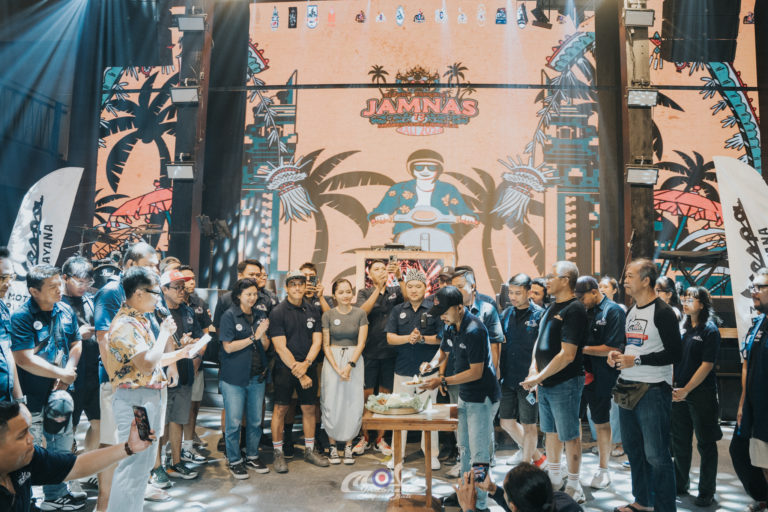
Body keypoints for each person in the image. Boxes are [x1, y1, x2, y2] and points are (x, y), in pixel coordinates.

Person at [103, 266, 192, 512]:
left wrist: (180, 354)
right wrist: (164, 334)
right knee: (133, 467)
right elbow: (146, 364)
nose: (158, 299)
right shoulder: (125, 324)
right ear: (139, 293)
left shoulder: (138, 319)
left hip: (144, 398)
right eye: (155, 293)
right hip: (136, 402)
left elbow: (150, 360)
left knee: (142, 467)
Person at [607, 258, 682, 512]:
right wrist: (617, 354)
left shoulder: (663, 312)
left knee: (657, 455)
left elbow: (675, 353)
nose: (624, 281)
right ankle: (642, 502)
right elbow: (630, 343)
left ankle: (664, 507)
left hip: (653, 389)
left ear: (646, 280)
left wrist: (636, 359)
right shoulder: (632, 310)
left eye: (630, 276)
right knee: (634, 450)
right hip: (627, 386)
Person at [92, 241, 163, 506]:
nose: (155, 270)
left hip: (141, 392)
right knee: (126, 457)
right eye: (150, 265)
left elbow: (148, 358)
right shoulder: (114, 296)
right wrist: (115, 379)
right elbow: (104, 339)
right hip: (129, 392)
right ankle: (105, 506)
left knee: (138, 461)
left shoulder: (140, 313)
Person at [419, 285, 501, 511]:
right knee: (463, 448)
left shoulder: (475, 330)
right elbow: (443, 351)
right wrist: (431, 365)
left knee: (479, 453)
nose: (442, 317)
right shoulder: (451, 326)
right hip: (465, 395)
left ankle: (480, 503)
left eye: (445, 312)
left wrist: (442, 381)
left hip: (482, 398)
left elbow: (476, 372)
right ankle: (466, 493)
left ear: (459, 307)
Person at [11, 264, 83, 510]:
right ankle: (27, 500)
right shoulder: (21, 317)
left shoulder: (65, 309)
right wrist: (61, 373)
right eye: (52, 287)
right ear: (34, 291)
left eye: (59, 284)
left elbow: (76, 342)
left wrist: (69, 371)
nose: (59, 290)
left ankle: (56, 495)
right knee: (28, 450)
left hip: (60, 394)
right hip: (30, 396)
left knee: (61, 445)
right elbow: (23, 359)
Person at [0, 400, 154, 512]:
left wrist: (129, 447)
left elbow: (77, 466)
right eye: (21, 435)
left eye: (28, 431)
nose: (31, 438)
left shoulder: (28, 458)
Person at [521, 261, 588, 504]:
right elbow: (539, 342)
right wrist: (534, 369)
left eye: (552, 276)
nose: (547, 280)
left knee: (570, 435)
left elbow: (567, 354)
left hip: (565, 382)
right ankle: (555, 478)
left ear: (566, 280)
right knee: (550, 432)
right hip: (545, 382)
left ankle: (574, 485)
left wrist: (539, 377)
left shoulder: (575, 309)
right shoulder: (551, 307)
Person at [268, 270, 329, 473]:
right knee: (281, 409)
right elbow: (280, 347)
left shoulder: (313, 310)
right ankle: (278, 453)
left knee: (309, 408)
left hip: (308, 366)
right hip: (285, 368)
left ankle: (310, 450)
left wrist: (307, 364)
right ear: (286, 287)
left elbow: (317, 341)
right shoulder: (278, 312)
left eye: (300, 284)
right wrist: (300, 372)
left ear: (305, 287)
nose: (297, 288)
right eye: (293, 284)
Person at [671, 286, 722, 507]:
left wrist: (687, 389)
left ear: (702, 304)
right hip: (678, 392)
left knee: (706, 443)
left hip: (701, 394)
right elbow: (675, 359)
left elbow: (707, 365)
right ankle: (680, 484)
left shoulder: (710, 330)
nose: (685, 302)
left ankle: (706, 491)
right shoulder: (682, 328)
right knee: (680, 441)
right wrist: (675, 387)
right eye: (684, 299)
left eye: (690, 299)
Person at [386, 269, 441, 470]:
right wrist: (408, 338)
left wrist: (422, 339)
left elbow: (441, 338)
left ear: (425, 288)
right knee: (400, 413)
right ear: (406, 288)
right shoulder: (397, 310)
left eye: (418, 286)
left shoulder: (434, 310)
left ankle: (432, 455)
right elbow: (390, 338)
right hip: (403, 370)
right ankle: (397, 455)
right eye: (410, 286)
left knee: (429, 413)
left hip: (428, 372)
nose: (414, 290)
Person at [574, 276, 625, 490]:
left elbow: (613, 348)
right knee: (574, 422)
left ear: (594, 292)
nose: (581, 302)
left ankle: (604, 469)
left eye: (583, 298)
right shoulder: (581, 310)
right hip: (578, 375)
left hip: (602, 376)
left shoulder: (614, 311)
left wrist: (580, 350)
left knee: (602, 421)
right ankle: (573, 469)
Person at [154, 269, 205, 482]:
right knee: (161, 423)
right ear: (164, 289)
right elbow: (154, 347)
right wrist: (177, 347)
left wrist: (193, 344)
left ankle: (176, 462)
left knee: (178, 419)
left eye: (183, 287)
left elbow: (199, 336)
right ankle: (157, 467)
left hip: (184, 372)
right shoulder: (156, 312)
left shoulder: (187, 310)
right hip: (163, 375)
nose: (182, 291)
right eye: (177, 288)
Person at [218, 278, 271, 479]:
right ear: (239, 295)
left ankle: (252, 455)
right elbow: (228, 347)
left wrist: (263, 335)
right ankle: (234, 459)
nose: (252, 297)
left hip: (257, 376)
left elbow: (265, 346)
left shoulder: (260, 315)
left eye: (255, 294)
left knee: (255, 421)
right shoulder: (229, 316)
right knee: (233, 422)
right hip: (234, 378)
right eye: (248, 294)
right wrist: (253, 337)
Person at [353, 258, 403, 456]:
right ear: (370, 274)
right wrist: (378, 289)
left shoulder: (395, 292)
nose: (381, 271)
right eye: (377, 269)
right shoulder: (364, 292)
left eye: (384, 268)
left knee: (385, 396)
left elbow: (408, 299)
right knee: (366, 396)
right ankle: (365, 436)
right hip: (369, 352)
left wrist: (399, 277)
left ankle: (381, 438)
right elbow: (361, 313)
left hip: (390, 352)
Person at [498, 274, 546, 468]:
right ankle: (536, 456)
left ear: (529, 292)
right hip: (507, 377)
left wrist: (536, 375)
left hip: (529, 379)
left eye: (518, 293)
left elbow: (542, 348)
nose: (513, 297)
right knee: (505, 422)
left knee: (529, 424)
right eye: (510, 292)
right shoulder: (505, 314)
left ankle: (526, 464)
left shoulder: (540, 315)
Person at [320, 279, 367, 465]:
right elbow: (325, 344)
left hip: (354, 360)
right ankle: (332, 446)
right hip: (332, 360)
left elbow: (361, 343)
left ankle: (348, 445)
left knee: (352, 402)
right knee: (331, 401)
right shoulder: (328, 315)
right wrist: (337, 367)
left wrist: (348, 366)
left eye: (348, 292)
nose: (345, 295)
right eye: (341, 292)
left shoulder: (360, 313)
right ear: (334, 295)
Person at [60, 256, 100, 455]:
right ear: (65, 278)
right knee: (70, 426)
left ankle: (87, 465)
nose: (84, 287)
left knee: (99, 423)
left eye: (88, 282)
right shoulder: (56, 303)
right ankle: (68, 464)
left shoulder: (91, 300)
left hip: (93, 370)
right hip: (71, 373)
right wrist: (78, 335)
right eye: (79, 282)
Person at [737, 268, 768, 512]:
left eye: (760, 287)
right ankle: (763, 497)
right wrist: (742, 403)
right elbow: (747, 364)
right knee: (746, 453)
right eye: (753, 287)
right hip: (755, 408)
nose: (754, 292)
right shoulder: (758, 323)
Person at [454, 462, 583, 512]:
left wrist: (468, 508)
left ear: (513, 507)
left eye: (505, 492)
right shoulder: (564, 500)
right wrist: (494, 489)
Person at [178, 265, 211, 450]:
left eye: (193, 278)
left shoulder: (199, 303)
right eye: (186, 279)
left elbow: (205, 334)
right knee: (179, 407)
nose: (191, 282)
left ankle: (190, 437)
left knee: (195, 404)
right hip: (176, 365)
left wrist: (197, 359)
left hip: (197, 362)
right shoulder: (170, 305)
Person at [0, 247, 23, 403]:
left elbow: (8, 353)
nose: (8, 283)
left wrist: (19, 400)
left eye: (11, 277)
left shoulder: (3, 308)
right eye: (3, 277)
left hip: (5, 399)